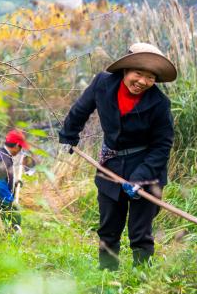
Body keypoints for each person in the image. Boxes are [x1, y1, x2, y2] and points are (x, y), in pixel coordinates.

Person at [58, 43, 177, 270]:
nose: (142, 81)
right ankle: (107, 276)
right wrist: (69, 135)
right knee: (109, 227)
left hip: (147, 168)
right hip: (110, 164)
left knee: (140, 231)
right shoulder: (103, 84)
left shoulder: (160, 104)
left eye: (150, 77)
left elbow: (162, 146)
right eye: (138, 73)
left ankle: (141, 278)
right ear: (125, 70)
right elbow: (81, 109)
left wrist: (140, 177)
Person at [0, 129, 30, 232]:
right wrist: (10, 202)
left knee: (5, 222)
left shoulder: (2, 154)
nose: (20, 151)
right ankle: (12, 238)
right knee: (15, 216)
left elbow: (2, 177)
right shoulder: (1, 159)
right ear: (16, 146)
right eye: (21, 147)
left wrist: (14, 184)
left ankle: (6, 236)